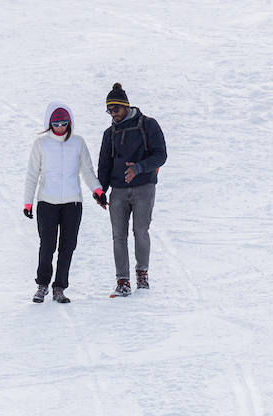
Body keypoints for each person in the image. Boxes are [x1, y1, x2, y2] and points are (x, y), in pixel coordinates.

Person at [23, 102, 107, 304]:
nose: (60, 127)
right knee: (47, 245)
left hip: (72, 204)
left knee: (67, 246)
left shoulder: (78, 143)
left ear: (70, 123)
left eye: (64, 123)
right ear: (49, 124)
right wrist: (28, 203)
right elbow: (32, 174)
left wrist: (97, 190)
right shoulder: (41, 144)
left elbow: (87, 170)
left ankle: (59, 287)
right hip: (47, 203)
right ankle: (42, 285)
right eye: (56, 123)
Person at [97, 82, 167, 296]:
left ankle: (142, 275)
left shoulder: (148, 125)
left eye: (115, 109)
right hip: (117, 191)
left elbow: (161, 155)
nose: (112, 113)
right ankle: (123, 281)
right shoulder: (109, 133)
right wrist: (100, 190)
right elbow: (104, 165)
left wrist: (139, 168)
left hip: (144, 188)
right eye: (109, 110)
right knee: (118, 235)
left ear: (125, 106)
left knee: (140, 231)